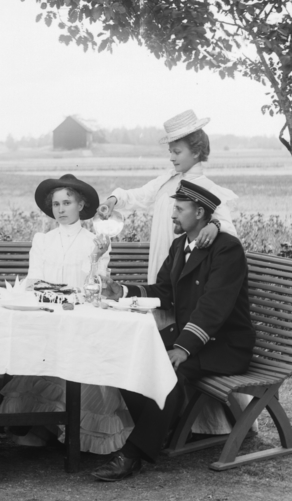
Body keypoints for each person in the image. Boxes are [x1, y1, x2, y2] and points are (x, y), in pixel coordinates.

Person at [90, 181, 254, 482]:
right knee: (127, 355)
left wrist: (183, 348)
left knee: (168, 369)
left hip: (224, 345)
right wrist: (121, 290)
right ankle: (162, 430)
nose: (172, 215)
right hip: (192, 337)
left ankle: (132, 454)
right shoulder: (180, 246)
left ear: (200, 213)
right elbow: (164, 291)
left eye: (179, 209)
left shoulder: (227, 249)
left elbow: (213, 307)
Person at [98, 108, 247, 435]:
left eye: (177, 151)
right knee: (153, 340)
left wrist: (215, 225)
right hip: (172, 265)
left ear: (197, 150)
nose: (171, 157)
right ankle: (172, 425)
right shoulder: (168, 181)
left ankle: (190, 425)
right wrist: (113, 200)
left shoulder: (203, 187)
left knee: (172, 346)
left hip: (194, 279)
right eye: (170, 151)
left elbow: (227, 230)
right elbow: (139, 196)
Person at [0, 175, 134, 454]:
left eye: (67, 203)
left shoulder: (95, 241)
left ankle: (68, 431)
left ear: (81, 205)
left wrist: (96, 258)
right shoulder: (43, 240)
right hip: (48, 315)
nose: (61, 209)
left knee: (78, 358)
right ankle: (41, 426)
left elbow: (96, 287)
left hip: (80, 318)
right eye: (56, 204)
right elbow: (34, 280)